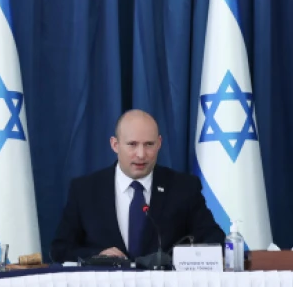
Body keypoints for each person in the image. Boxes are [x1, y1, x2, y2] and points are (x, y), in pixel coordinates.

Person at [50, 109, 225, 262]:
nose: (141, 154)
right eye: (132, 144)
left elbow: (214, 240)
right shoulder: (85, 190)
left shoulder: (184, 187)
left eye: (149, 144)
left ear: (159, 144)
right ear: (115, 145)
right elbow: (60, 249)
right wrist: (97, 256)